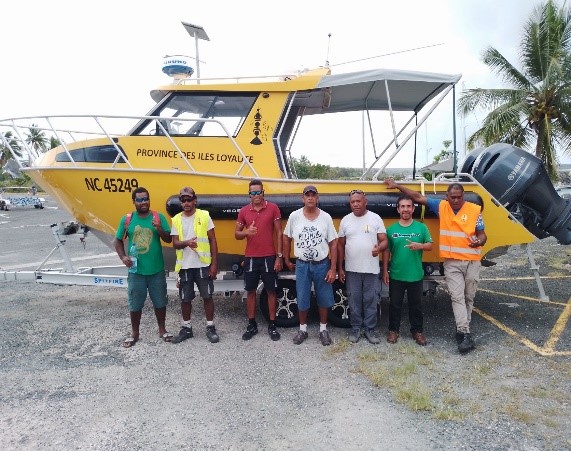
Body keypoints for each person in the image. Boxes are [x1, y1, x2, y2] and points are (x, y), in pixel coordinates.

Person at [385, 180, 487, 353]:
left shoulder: (474, 210)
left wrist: (479, 241)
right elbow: (417, 197)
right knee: (457, 298)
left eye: (459, 197)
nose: (455, 200)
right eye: (452, 197)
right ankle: (464, 332)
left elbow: (483, 234)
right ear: (446, 197)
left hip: (472, 261)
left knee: (469, 297)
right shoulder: (441, 206)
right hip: (452, 262)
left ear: (463, 196)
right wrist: (397, 186)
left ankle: (463, 329)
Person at [113, 187, 173, 348]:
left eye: (145, 198)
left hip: (156, 269)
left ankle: (162, 330)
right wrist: (123, 257)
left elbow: (169, 239)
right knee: (135, 303)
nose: (143, 202)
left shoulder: (158, 217)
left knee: (160, 301)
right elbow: (117, 240)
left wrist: (159, 227)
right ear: (134, 202)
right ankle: (135, 334)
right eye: (139, 199)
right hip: (136, 271)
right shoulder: (127, 219)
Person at [283, 185, 338, 346]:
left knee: (324, 298)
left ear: (317, 198)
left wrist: (333, 267)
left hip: (322, 264)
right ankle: (303, 329)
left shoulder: (326, 217)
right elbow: (286, 237)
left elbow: (334, 243)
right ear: (303, 198)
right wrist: (286, 258)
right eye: (307, 195)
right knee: (302, 297)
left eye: (313, 195)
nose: (310, 198)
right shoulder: (295, 216)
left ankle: (323, 329)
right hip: (302, 265)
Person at [235, 179, 283, 341]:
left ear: (263, 193)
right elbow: (237, 234)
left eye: (259, 192)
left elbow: (279, 233)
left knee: (271, 291)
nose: (256, 195)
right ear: (249, 195)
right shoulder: (243, 211)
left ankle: (272, 324)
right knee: (250, 291)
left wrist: (279, 256)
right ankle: (251, 324)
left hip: (269, 256)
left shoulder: (273, 208)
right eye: (253, 192)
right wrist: (247, 232)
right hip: (250, 258)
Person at [170, 187, 220, 344]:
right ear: (180, 202)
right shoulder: (176, 219)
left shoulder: (204, 216)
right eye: (183, 200)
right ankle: (187, 328)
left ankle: (210, 327)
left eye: (189, 199)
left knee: (207, 296)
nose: (186, 203)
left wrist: (214, 265)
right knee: (185, 299)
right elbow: (175, 243)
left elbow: (213, 239)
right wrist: (187, 243)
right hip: (185, 266)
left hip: (203, 264)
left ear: (195, 200)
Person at [337, 189, 388, 344]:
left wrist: (378, 249)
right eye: (353, 202)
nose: (356, 204)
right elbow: (340, 246)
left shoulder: (375, 218)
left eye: (358, 201)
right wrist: (340, 267)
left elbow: (384, 241)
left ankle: (370, 330)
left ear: (365, 201)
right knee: (354, 301)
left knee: (370, 300)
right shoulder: (345, 220)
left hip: (371, 270)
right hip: (352, 269)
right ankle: (356, 328)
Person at [382, 194, 433, 346]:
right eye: (402, 206)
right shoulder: (391, 230)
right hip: (397, 274)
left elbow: (430, 245)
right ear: (398, 209)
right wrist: (385, 271)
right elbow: (386, 251)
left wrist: (420, 246)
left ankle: (417, 331)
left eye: (408, 206)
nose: (406, 209)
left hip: (415, 275)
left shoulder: (421, 227)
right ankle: (393, 330)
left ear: (413, 208)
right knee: (394, 305)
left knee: (416, 306)